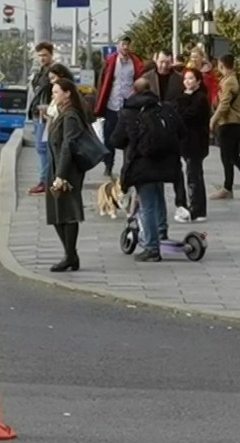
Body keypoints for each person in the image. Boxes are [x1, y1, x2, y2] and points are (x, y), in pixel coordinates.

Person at [111, 77, 184, 262]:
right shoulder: (164, 107)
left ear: (133, 91)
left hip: (141, 164)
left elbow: (116, 140)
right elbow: (181, 131)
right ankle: (161, 232)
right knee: (158, 196)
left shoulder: (128, 112)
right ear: (150, 89)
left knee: (147, 204)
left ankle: (151, 247)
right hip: (166, 162)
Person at [45, 76, 92, 272]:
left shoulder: (71, 116)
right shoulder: (62, 113)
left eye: (56, 92)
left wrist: (61, 176)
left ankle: (70, 255)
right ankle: (70, 255)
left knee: (67, 212)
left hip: (66, 171)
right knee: (57, 212)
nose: (53, 95)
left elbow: (68, 146)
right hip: (56, 167)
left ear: (67, 94)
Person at [208, 54, 240, 200]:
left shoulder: (229, 82)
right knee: (234, 156)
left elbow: (224, 104)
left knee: (227, 157)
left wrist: (213, 120)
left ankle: (228, 188)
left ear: (221, 65)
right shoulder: (238, 79)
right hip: (239, 124)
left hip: (230, 123)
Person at [93, 36, 146, 178]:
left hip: (129, 104)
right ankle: (108, 165)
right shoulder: (110, 61)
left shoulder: (135, 62)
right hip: (112, 104)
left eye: (128, 44)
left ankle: (127, 166)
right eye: (123, 44)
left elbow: (140, 80)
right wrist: (99, 103)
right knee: (109, 137)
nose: (125, 47)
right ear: (118, 46)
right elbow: (102, 82)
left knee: (129, 137)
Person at [174, 68, 211, 223]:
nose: (187, 82)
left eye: (191, 79)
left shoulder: (200, 98)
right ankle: (195, 207)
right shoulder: (184, 97)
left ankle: (197, 209)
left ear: (198, 81)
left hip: (196, 142)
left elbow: (187, 115)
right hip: (186, 141)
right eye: (185, 79)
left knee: (194, 175)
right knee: (192, 174)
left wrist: (184, 100)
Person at [28, 42, 56, 196]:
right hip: (37, 114)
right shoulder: (39, 72)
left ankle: (45, 181)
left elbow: (58, 92)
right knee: (42, 148)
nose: (42, 58)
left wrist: (49, 109)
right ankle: (46, 180)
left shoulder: (53, 72)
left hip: (45, 116)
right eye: (39, 55)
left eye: (45, 55)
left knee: (43, 148)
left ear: (51, 55)